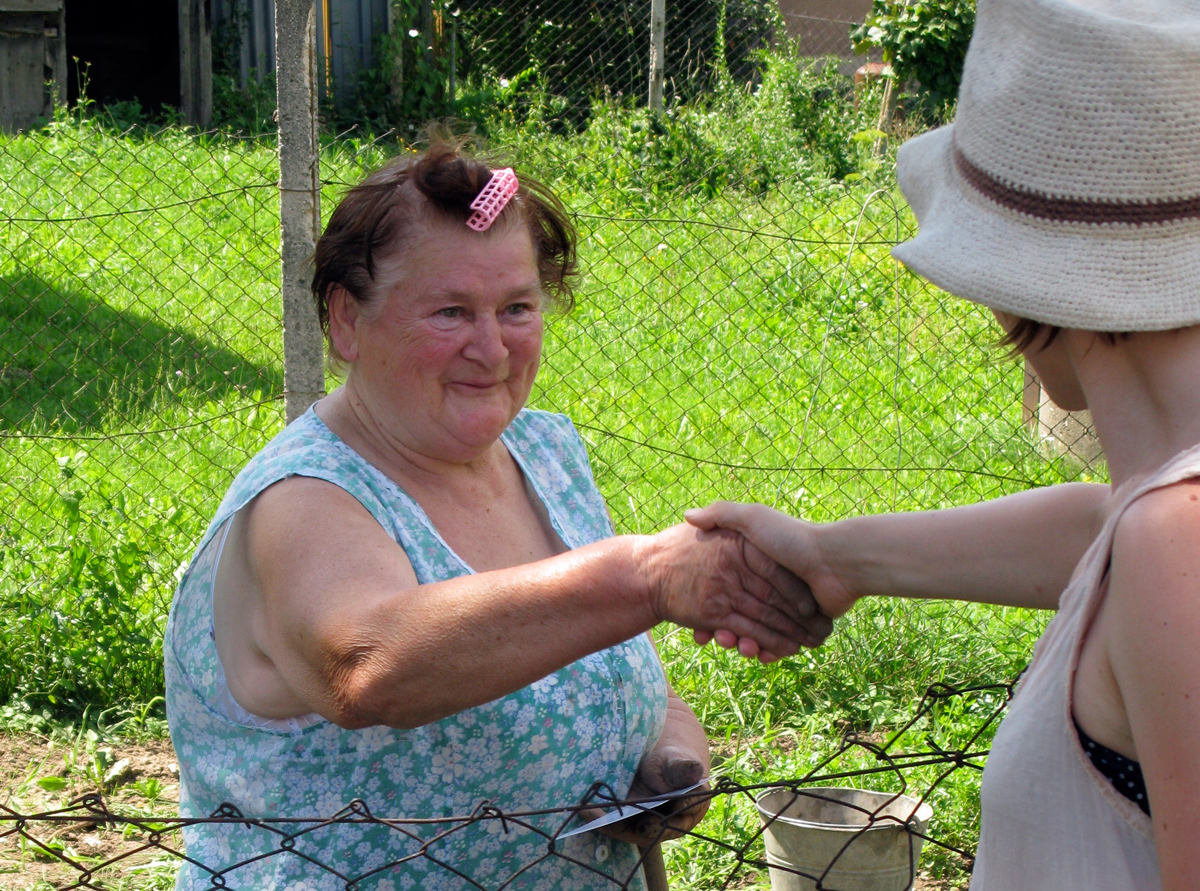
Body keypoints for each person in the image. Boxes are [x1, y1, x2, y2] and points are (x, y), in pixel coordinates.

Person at [163, 138, 831, 891]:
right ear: (346, 322)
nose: (492, 347)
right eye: (450, 312)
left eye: (516, 307)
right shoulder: (305, 498)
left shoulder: (543, 454)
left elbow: (585, 652)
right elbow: (367, 665)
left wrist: (670, 747)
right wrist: (646, 575)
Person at [688, 1, 1200, 888]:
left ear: (1017, 276)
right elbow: (1092, 535)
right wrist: (829, 555)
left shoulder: (1175, 541)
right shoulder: (1153, 519)